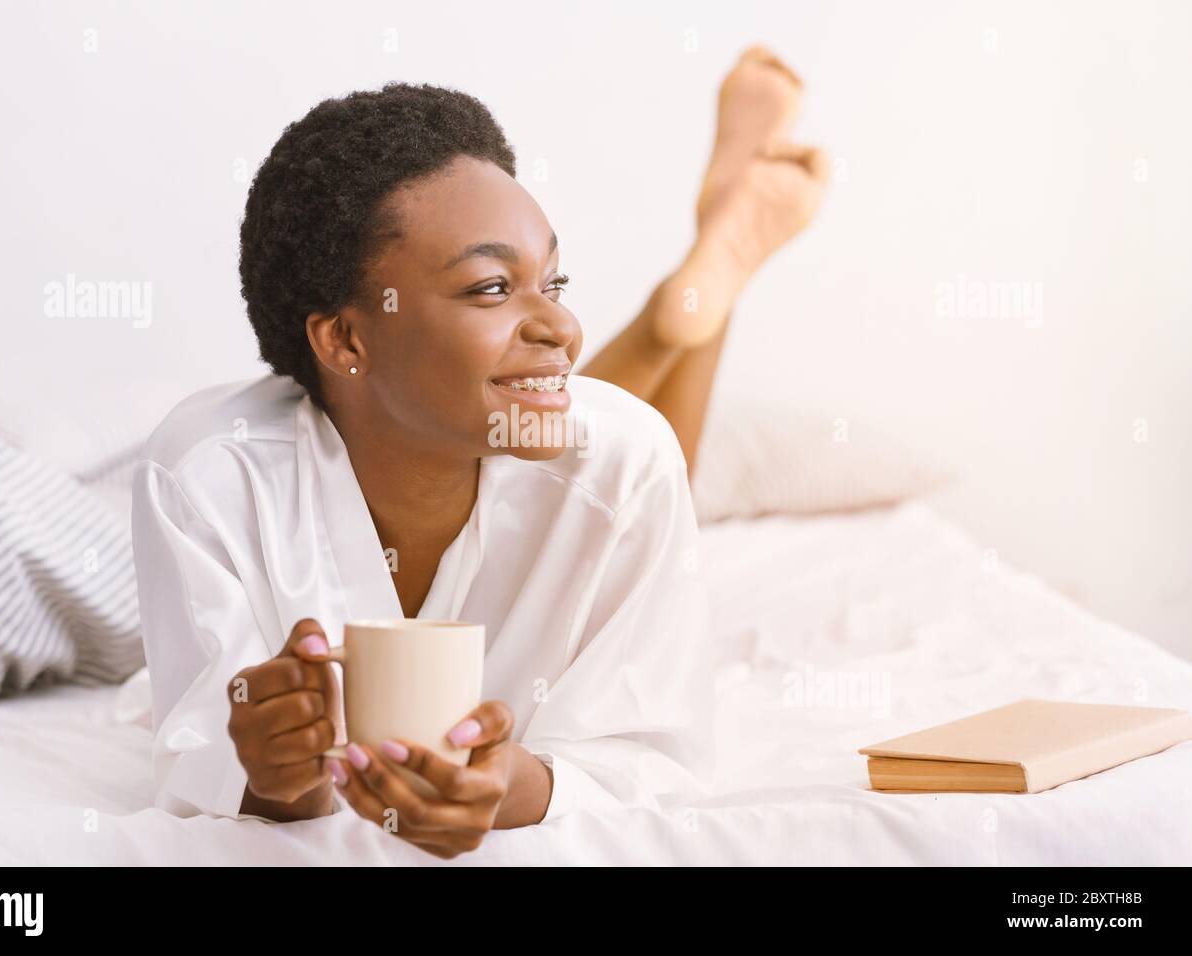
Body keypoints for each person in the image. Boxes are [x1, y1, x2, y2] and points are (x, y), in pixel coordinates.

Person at [131, 47, 824, 859]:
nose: (564, 328)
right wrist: (275, 772)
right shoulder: (210, 474)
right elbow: (201, 758)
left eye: (553, 285)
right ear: (346, 337)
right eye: (492, 288)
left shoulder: (626, 463)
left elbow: (653, 758)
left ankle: (698, 302)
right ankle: (694, 303)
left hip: (598, 450)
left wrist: (518, 787)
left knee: (613, 445)